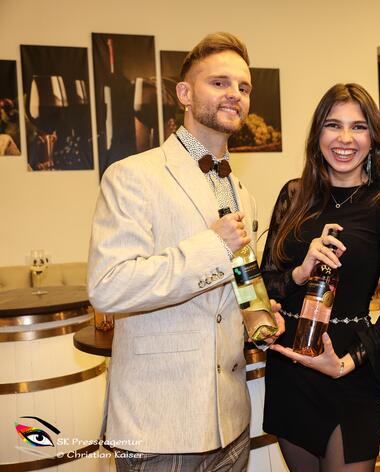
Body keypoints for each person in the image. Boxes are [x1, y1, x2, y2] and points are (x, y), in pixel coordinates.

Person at [87, 32, 283, 472]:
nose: (234, 93)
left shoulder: (243, 193)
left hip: (232, 424)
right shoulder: (131, 176)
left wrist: (259, 317)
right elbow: (108, 287)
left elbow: (238, 286)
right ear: (185, 94)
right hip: (159, 426)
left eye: (244, 87)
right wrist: (213, 246)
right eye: (219, 82)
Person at [261, 83, 380, 472]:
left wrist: (347, 364)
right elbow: (265, 283)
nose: (345, 138)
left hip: (350, 370)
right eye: (333, 125)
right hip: (291, 370)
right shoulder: (293, 196)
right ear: (318, 134)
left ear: (373, 138)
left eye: (358, 127)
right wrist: (300, 272)